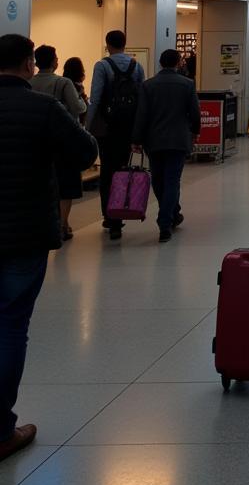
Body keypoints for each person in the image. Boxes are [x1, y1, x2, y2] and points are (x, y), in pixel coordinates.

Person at [0, 34, 97, 462]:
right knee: (10, 326)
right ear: (27, 64)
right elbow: (84, 152)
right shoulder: (43, 108)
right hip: (24, 234)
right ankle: (1, 428)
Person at [131, 49, 201, 242]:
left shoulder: (148, 85)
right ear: (178, 62)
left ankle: (168, 217)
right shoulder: (187, 84)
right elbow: (194, 112)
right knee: (172, 181)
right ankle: (167, 220)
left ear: (160, 63)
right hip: (178, 140)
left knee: (159, 180)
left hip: (154, 141)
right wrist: (195, 132)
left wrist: (136, 139)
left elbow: (142, 114)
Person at [87, 30, 145, 242]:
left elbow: (95, 98)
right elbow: (141, 97)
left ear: (107, 44)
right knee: (123, 170)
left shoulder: (102, 66)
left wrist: (88, 127)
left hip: (108, 129)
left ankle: (110, 217)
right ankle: (121, 212)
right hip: (128, 128)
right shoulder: (136, 66)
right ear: (125, 43)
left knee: (108, 173)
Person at [30, 45, 86, 241]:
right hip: (62, 142)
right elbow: (78, 108)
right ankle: (63, 224)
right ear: (54, 61)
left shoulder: (28, 82)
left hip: (36, 141)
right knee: (66, 184)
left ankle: (45, 221)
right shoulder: (63, 83)